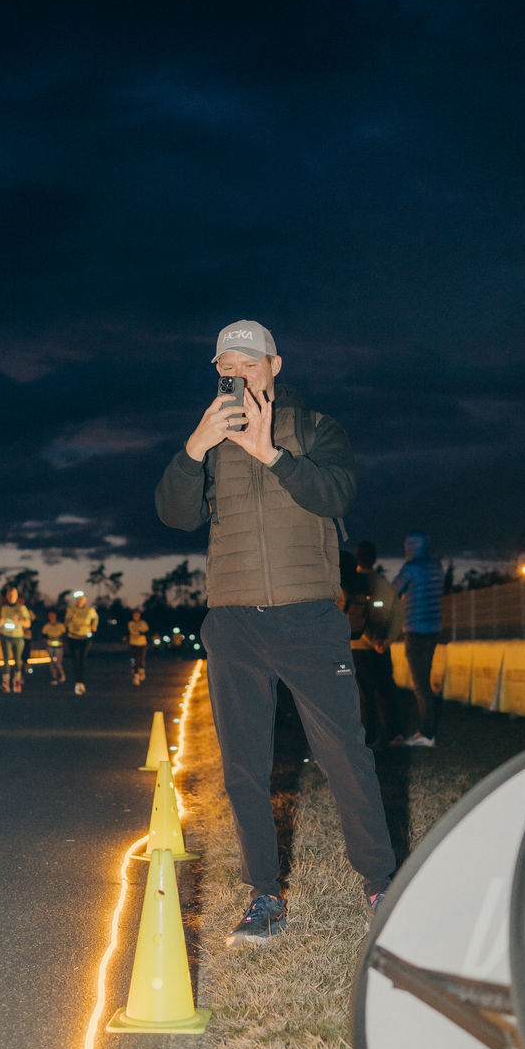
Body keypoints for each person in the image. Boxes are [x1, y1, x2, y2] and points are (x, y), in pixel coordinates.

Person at [155, 318, 396, 945]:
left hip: (309, 615)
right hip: (233, 621)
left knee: (345, 755)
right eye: (226, 366)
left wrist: (272, 454)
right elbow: (174, 515)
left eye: (249, 363)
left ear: (275, 365)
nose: (237, 374)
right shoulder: (209, 440)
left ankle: (382, 885)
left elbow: (337, 495)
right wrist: (193, 448)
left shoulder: (315, 429)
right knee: (243, 765)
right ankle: (264, 895)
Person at [343, 540, 403, 749]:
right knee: (387, 690)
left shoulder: (350, 583)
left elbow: (352, 617)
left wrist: (372, 641)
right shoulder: (383, 584)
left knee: (365, 695)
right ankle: (395, 733)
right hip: (382, 647)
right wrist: (387, 640)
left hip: (358, 648)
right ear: (375, 559)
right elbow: (398, 614)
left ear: (357, 558)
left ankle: (371, 739)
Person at [392, 532, 445, 746]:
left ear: (410, 547)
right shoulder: (437, 567)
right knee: (425, 681)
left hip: (415, 630)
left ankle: (426, 733)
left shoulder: (411, 568)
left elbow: (394, 591)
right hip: (433, 629)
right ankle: (427, 730)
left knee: (420, 685)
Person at [0, 585, 32, 694]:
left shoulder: (22, 608)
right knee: (6, 659)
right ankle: (5, 683)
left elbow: (28, 623)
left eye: (13, 595)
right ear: (6, 596)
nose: (11, 597)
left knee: (17, 660)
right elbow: (1, 621)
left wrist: (19, 622)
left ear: (17, 596)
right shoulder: (4, 608)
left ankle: (17, 681)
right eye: (9, 595)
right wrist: (0, 623)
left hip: (18, 637)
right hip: (5, 636)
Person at [64, 589, 98, 695]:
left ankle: (81, 682)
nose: (79, 601)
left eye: (81, 599)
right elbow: (66, 623)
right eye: (77, 599)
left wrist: (94, 625)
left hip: (85, 637)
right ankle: (77, 681)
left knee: (82, 658)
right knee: (75, 659)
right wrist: (71, 618)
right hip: (73, 637)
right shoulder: (71, 609)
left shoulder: (90, 610)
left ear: (84, 599)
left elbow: (95, 618)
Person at [41, 610, 67, 685]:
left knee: (58, 663)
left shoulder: (60, 625)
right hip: (50, 645)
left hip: (59, 645)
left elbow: (64, 634)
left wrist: (61, 639)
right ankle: (54, 677)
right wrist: (45, 641)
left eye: (53, 615)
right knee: (52, 663)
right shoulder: (46, 626)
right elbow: (43, 635)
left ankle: (62, 675)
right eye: (50, 615)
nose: (52, 617)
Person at [126, 607, 150, 684]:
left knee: (141, 659)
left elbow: (146, 631)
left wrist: (140, 632)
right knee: (135, 660)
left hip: (142, 644)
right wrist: (139, 632)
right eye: (134, 615)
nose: (135, 616)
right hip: (133, 643)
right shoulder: (130, 623)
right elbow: (132, 631)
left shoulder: (143, 623)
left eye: (137, 615)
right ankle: (136, 677)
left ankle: (142, 671)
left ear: (139, 616)